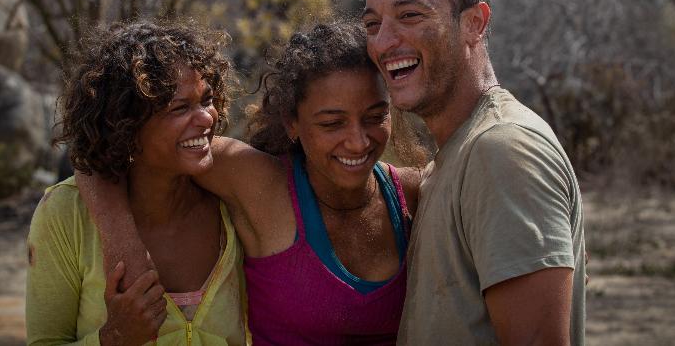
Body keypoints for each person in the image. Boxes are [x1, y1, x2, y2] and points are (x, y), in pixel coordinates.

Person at [78, 22, 425, 345]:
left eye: (375, 116)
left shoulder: (412, 194)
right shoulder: (258, 183)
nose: (358, 142)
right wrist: (125, 249)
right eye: (332, 123)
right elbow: (114, 148)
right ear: (292, 123)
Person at [360, 0, 587, 345]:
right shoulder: (456, 155)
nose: (383, 42)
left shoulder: (501, 148)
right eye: (372, 24)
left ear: (474, 23)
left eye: (410, 15)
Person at [25, 21, 249, 346]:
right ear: (125, 125)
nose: (206, 118)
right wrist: (114, 337)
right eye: (179, 107)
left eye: (207, 100)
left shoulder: (231, 201)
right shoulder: (64, 215)